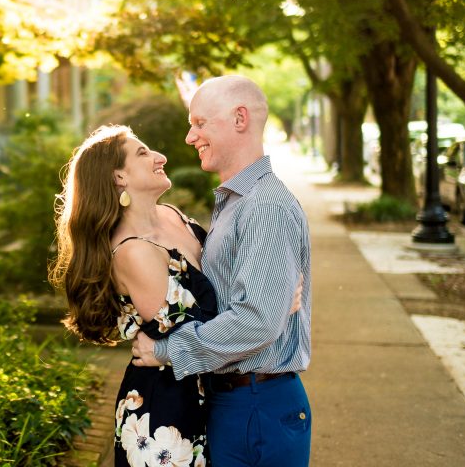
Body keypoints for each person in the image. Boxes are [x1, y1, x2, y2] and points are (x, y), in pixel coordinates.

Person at [131, 74, 313, 467]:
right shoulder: (236, 201)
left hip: (256, 405)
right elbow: (247, 304)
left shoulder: (263, 205)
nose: (189, 136)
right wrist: (280, 303)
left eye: (200, 123)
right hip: (234, 400)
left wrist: (166, 350)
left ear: (239, 119)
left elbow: (257, 322)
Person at [50, 123, 219, 467]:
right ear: (118, 178)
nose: (161, 157)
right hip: (168, 416)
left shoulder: (172, 216)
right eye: (143, 153)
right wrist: (266, 305)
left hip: (212, 393)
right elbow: (196, 330)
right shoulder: (133, 253)